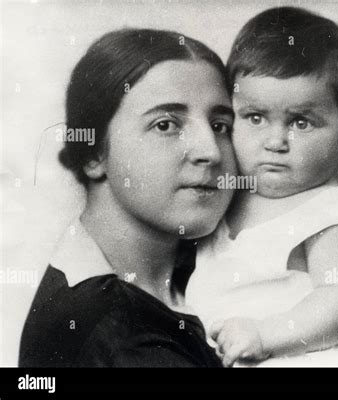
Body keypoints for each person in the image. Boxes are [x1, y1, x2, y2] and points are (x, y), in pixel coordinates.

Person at [185, 7, 338, 367]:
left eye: (301, 123)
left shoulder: (329, 210)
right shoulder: (228, 191)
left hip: (300, 356)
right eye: (255, 117)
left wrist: (266, 335)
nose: (275, 141)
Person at [19, 28, 237, 367]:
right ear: (94, 155)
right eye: (165, 125)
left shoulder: (197, 271)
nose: (210, 151)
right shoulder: (125, 342)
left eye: (220, 125)